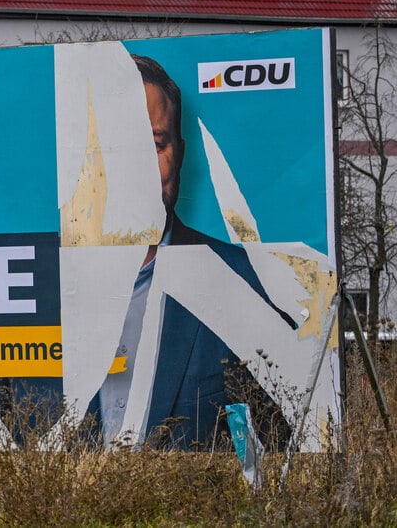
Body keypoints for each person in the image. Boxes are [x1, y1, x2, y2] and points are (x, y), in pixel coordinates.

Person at [91, 56, 294, 449]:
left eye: (153, 144)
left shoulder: (243, 280)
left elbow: (264, 451)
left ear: (179, 153)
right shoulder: (34, 291)